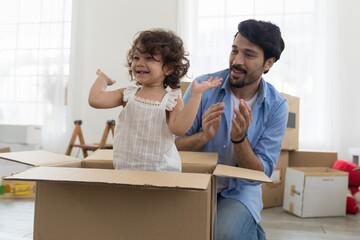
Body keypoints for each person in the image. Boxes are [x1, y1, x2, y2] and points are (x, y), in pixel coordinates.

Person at [175, 19, 287, 239]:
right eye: (234, 50)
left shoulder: (277, 106)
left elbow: (259, 175)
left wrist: (240, 140)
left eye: (249, 54)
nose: (237, 60)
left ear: (268, 63)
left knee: (224, 234)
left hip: (241, 192)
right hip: (195, 183)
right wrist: (202, 137)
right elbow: (172, 149)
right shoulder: (203, 88)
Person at [88, 29, 222, 172]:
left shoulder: (171, 101)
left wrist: (196, 95)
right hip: (125, 169)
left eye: (149, 58)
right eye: (136, 58)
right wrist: (102, 79)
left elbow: (180, 129)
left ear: (168, 68)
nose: (140, 63)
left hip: (161, 172)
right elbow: (96, 100)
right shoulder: (127, 95)